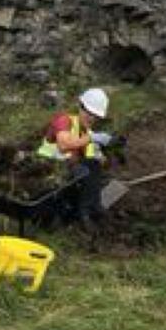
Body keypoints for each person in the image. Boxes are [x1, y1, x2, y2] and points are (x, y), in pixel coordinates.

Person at [36, 87, 111, 237]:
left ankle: (89, 209)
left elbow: (95, 161)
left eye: (95, 115)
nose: (91, 118)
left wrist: (105, 152)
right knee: (86, 170)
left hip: (67, 176)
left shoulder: (87, 133)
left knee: (94, 169)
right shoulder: (64, 121)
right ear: (80, 106)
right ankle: (83, 212)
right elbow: (63, 145)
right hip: (46, 169)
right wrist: (91, 139)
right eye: (88, 112)